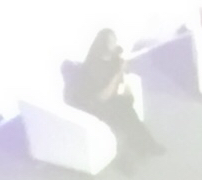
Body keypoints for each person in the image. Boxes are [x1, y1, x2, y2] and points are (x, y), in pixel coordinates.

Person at [63, 28, 163, 167]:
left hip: (110, 100)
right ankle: (128, 154)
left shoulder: (113, 60)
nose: (115, 44)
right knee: (122, 115)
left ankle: (145, 144)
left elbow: (121, 79)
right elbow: (101, 97)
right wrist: (118, 72)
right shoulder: (93, 67)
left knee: (127, 110)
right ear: (103, 44)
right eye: (111, 41)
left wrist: (122, 75)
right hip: (93, 104)